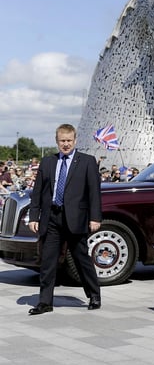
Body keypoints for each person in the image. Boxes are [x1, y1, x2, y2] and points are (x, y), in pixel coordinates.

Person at [27, 124, 102, 315]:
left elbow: (94, 192)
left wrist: (95, 217)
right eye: (62, 141)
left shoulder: (87, 161)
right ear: (57, 141)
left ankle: (94, 295)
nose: (66, 144)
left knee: (81, 259)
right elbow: (38, 192)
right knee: (48, 261)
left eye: (69, 140)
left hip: (76, 219)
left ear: (75, 140)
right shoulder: (47, 162)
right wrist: (34, 216)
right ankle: (44, 302)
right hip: (52, 217)